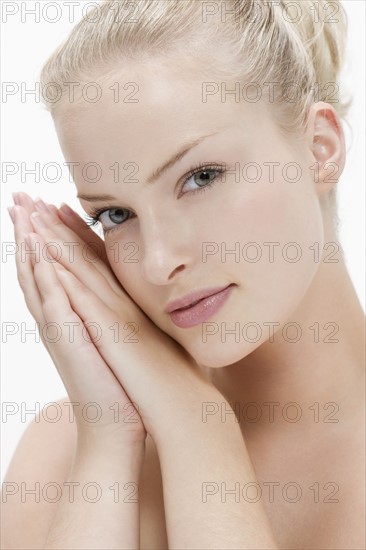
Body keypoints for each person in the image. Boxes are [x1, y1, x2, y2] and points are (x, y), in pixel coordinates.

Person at [2, 0, 365, 548]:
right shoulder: (69, 448)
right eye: (116, 215)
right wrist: (118, 439)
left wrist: (199, 428)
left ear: (320, 149)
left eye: (200, 177)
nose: (157, 261)